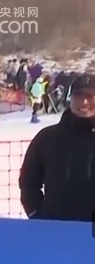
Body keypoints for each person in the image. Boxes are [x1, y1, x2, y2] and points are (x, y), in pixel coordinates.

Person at [19, 73, 95, 221]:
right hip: (56, 228)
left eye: (90, 96)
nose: (84, 102)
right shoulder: (47, 138)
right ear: (70, 98)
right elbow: (28, 182)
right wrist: (37, 214)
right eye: (78, 96)